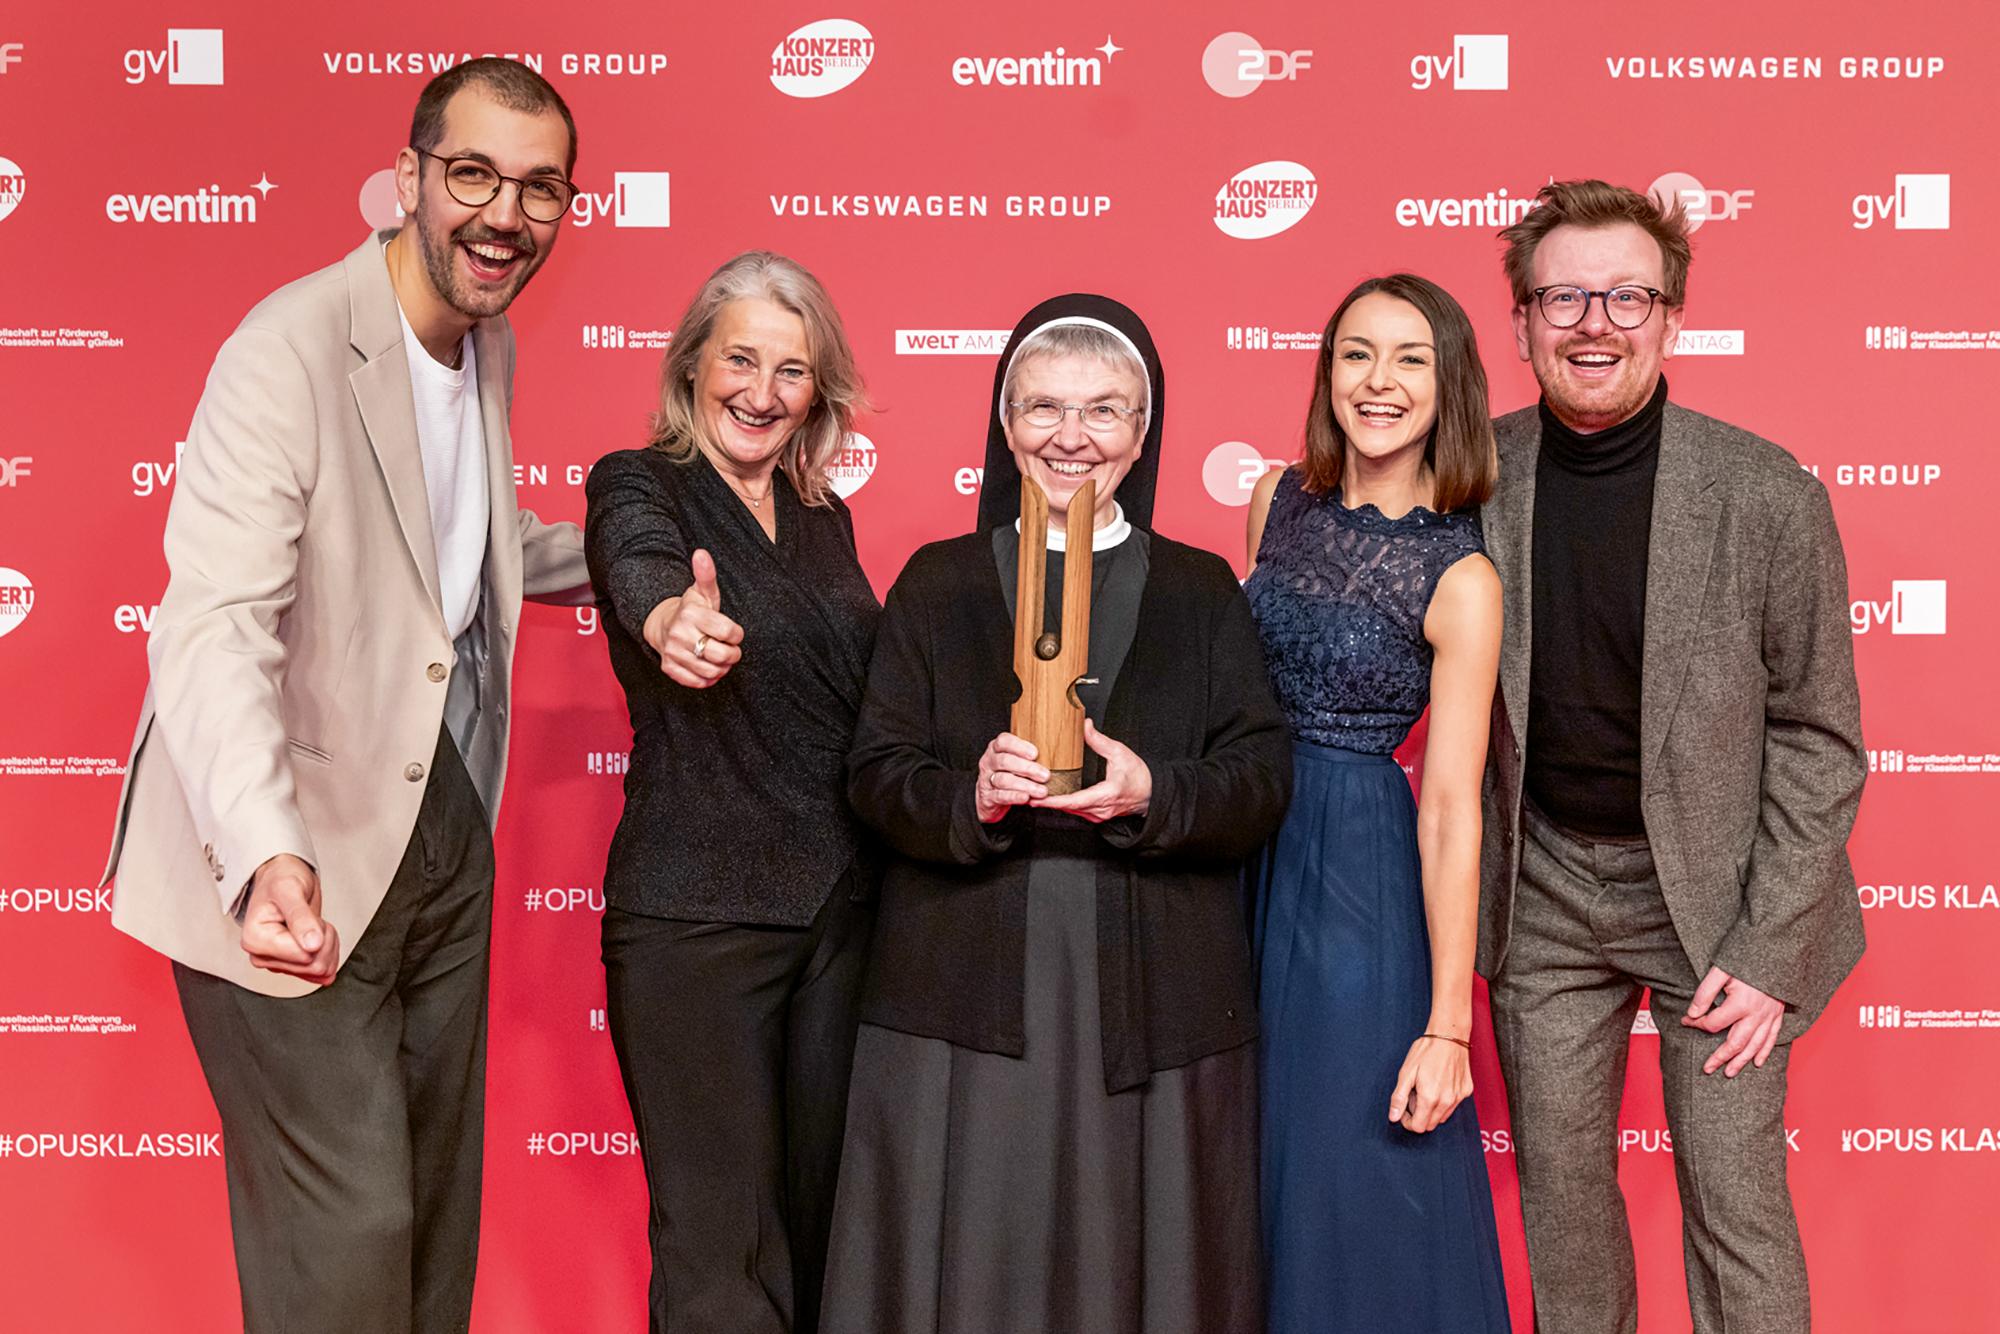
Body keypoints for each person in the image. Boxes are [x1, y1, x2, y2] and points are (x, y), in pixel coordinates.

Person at [101, 58, 590, 1333]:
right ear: (411, 175)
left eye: (540, 189)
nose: (505, 215)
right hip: (296, 846)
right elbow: (212, 624)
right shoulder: (289, 346)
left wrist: (639, 541)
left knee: (430, 1235)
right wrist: (265, 853)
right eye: (475, 174)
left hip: (439, 835)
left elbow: (460, 545)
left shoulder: (486, 345)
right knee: (348, 1245)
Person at [819, 294, 1291, 1334]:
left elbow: (1259, 776)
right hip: (962, 985)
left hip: (1156, 991)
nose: (1069, 435)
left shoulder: (1203, 589)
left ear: (1141, 432)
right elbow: (874, 770)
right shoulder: (938, 582)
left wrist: (1155, 791)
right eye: (1041, 407)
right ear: (1003, 422)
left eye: (1102, 410)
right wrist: (968, 793)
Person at [1479, 179, 1866, 1334]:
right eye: (1562, 297)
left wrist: (1768, 947)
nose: (1592, 321)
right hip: (1537, 885)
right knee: (1560, 1199)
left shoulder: (1763, 492)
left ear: (1671, 317)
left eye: (1624, 295)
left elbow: (1819, 736)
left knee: (1732, 1198)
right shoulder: (1471, 476)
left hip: (1716, 892)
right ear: (1520, 322)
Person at [583, 251, 879, 1334]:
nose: (760, 391)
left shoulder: (821, 515)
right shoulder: (639, 481)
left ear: (818, 390)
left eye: (789, 370)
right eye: (740, 359)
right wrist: (671, 619)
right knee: (719, 1255)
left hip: (839, 922)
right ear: (692, 367)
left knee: (821, 1239)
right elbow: (637, 560)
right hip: (697, 924)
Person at [1244, 274, 1511, 1332]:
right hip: (1240, 845)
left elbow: (1450, 804)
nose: (1378, 380)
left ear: (1448, 387)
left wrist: (1447, 1024)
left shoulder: (1462, 578)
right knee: (1247, 1151)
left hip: (1355, 872)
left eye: (1409, 358)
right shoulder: (1273, 500)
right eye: (1356, 353)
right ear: (1326, 373)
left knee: (1344, 1164)